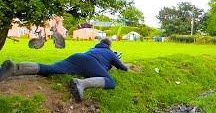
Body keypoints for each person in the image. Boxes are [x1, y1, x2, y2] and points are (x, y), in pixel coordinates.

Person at [0, 38, 131, 101]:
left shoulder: (93, 48)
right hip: (91, 64)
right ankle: (81, 84)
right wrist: (124, 65)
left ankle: (15, 68)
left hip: (78, 57)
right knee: (110, 82)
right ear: (109, 46)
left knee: (50, 68)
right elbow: (123, 68)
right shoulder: (110, 53)